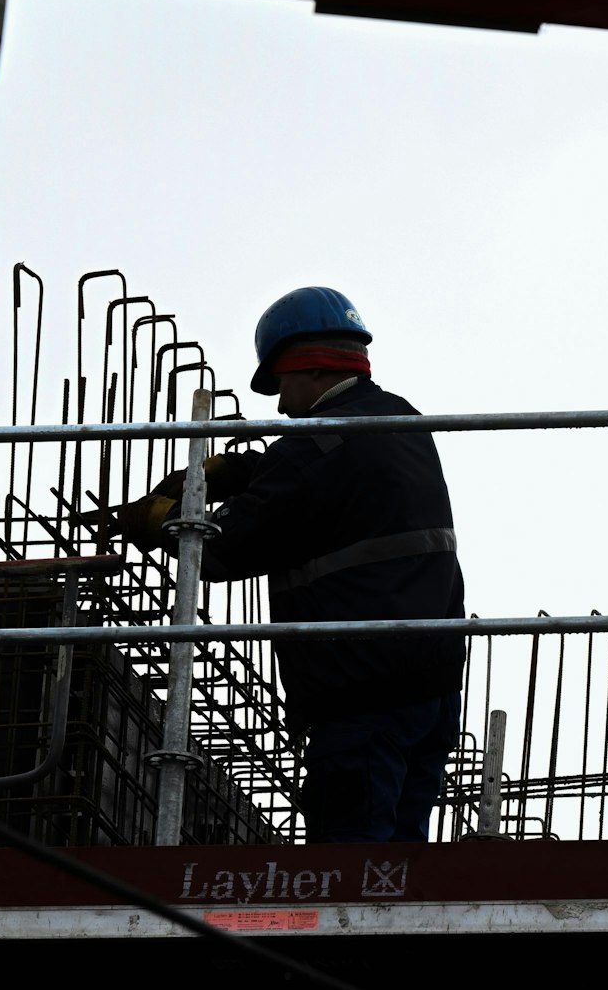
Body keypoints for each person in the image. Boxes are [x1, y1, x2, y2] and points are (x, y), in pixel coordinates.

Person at [119, 286, 465, 843]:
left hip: (361, 695)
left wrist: (163, 520)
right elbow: (339, 493)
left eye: (280, 385)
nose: (279, 407)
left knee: (350, 867)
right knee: (399, 873)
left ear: (307, 367)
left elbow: (227, 546)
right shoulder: (398, 421)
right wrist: (255, 470)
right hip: (431, 685)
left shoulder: (317, 447)